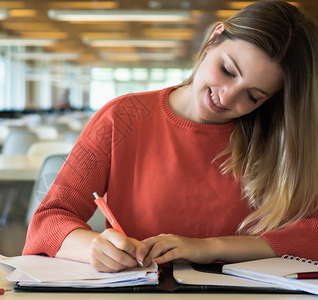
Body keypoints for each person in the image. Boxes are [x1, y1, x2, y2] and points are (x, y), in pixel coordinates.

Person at [23, 0, 318, 272]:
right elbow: (48, 220)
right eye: (227, 70)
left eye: (253, 96)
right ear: (214, 38)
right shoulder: (123, 116)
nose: (227, 98)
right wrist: (92, 247)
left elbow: (312, 233)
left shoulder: (280, 139)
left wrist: (210, 248)